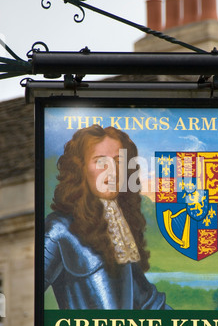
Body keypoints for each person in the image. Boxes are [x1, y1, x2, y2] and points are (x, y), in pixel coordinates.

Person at [44, 124, 171, 310]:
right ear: (80, 169)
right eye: (100, 161)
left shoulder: (119, 225)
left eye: (119, 161)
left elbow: (148, 303)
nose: (112, 171)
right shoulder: (59, 229)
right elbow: (24, 290)